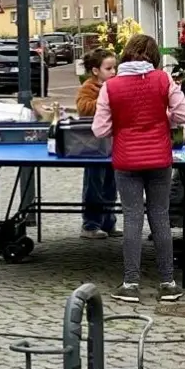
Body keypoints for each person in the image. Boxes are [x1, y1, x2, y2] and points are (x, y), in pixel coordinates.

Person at [92, 34, 185, 304]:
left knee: (132, 218)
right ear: (154, 57)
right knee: (160, 216)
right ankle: (168, 283)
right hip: (159, 159)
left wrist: (123, 127)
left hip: (126, 160)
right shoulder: (163, 79)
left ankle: (130, 283)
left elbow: (99, 129)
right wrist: (164, 117)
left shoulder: (111, 86)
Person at [74, 48, 119, 240]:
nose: (113, 72)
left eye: (114, 68)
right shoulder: (88, 88)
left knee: (111, 184)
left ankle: (109, 222)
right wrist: (105, 100)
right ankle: (90, 224)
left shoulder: (116, 85)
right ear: (95, 70)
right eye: (108, 68)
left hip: (113, 144)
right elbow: (83, 108)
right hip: (93, 145)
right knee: (94, 184)